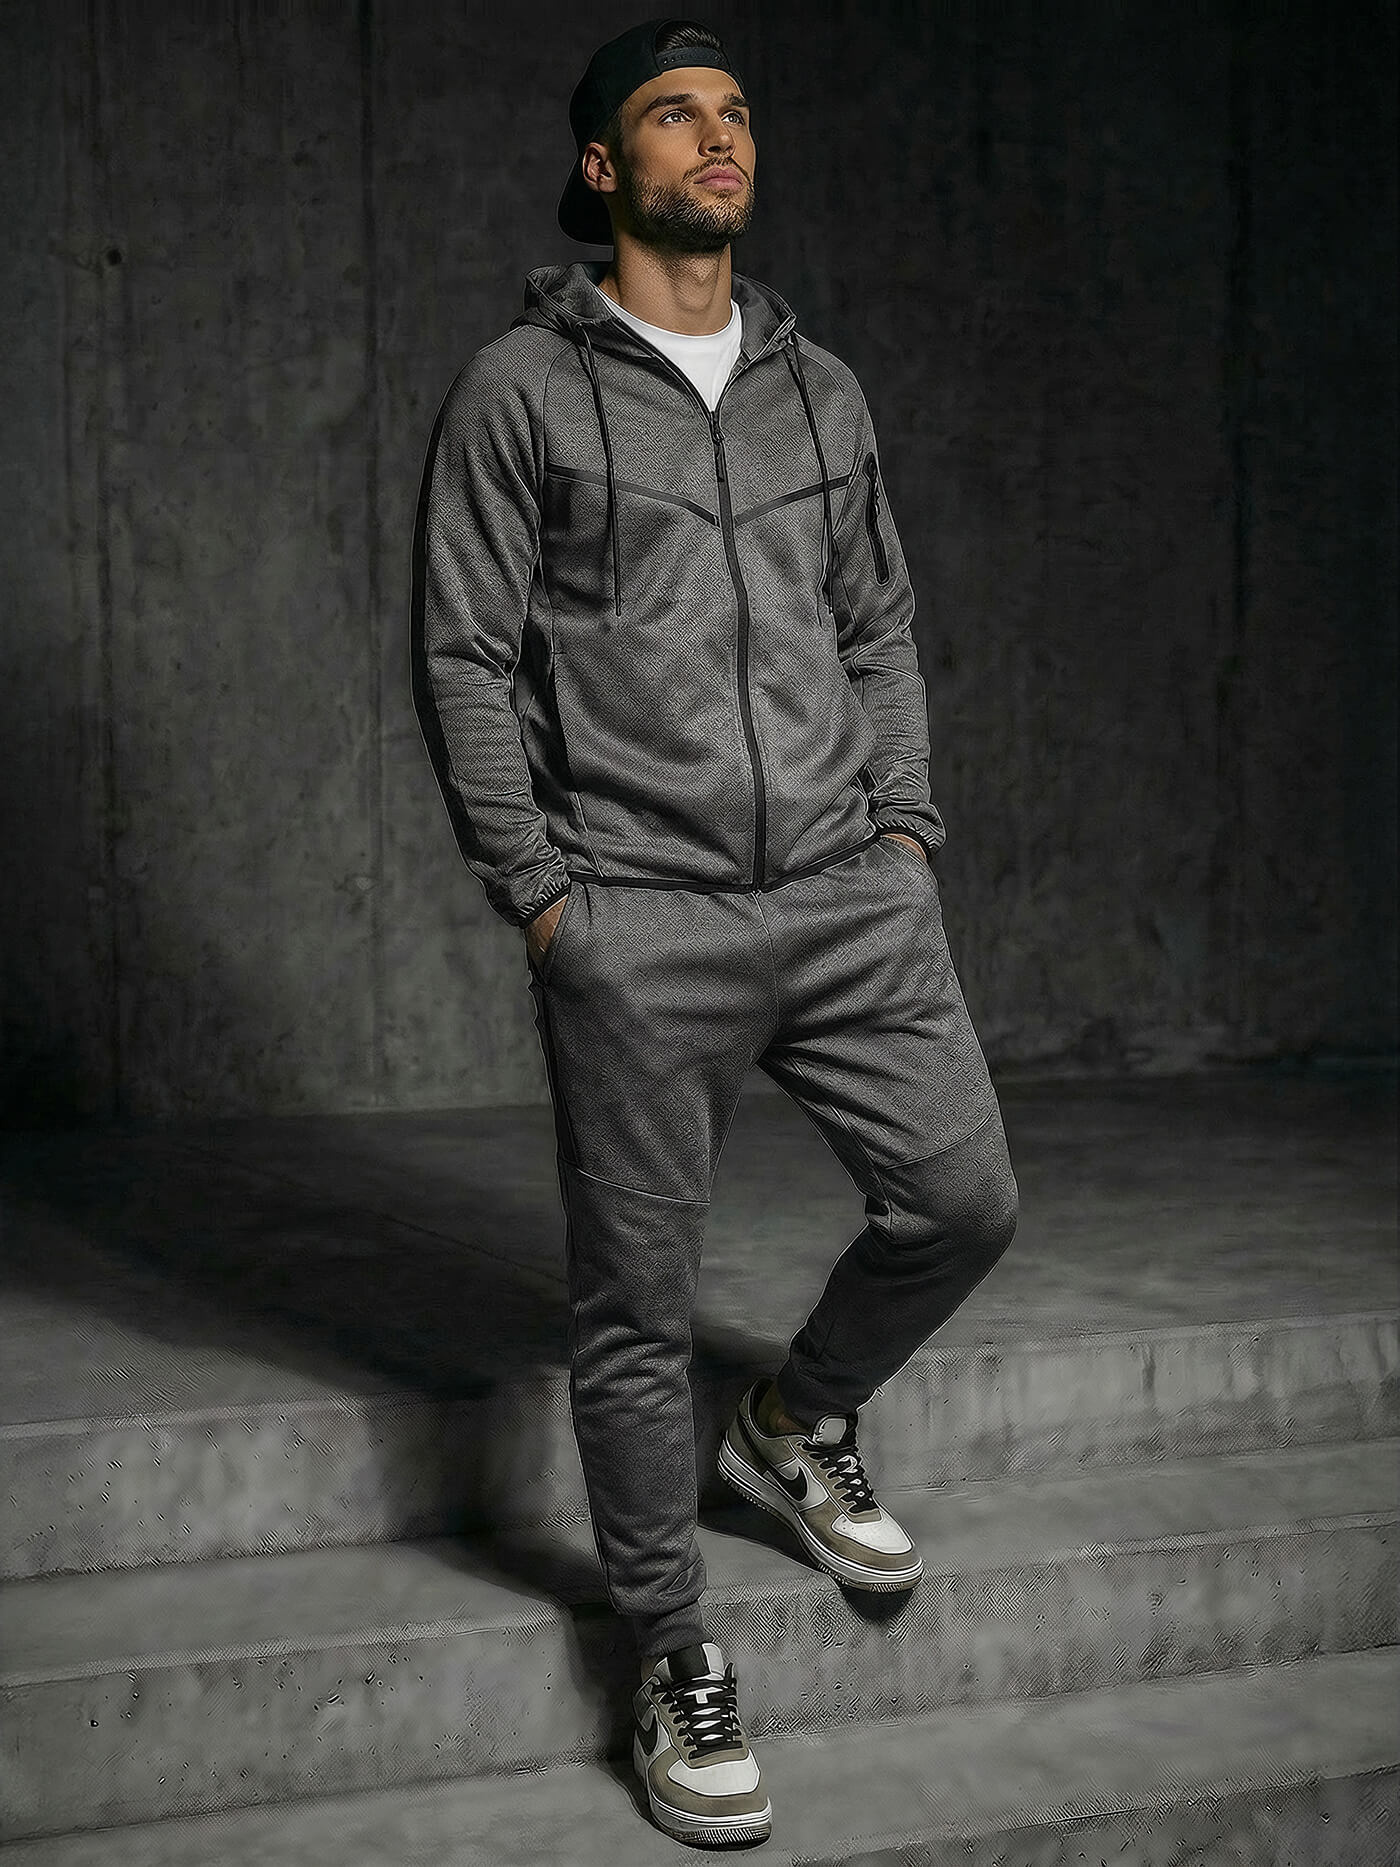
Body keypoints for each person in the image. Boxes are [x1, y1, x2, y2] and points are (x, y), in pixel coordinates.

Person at [411, 15, 1018, 1849]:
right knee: (637, 1308)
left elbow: (879, 622)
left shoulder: (822, 392)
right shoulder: (522, 390)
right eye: (676, 115)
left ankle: (796, 1420)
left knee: (963, 1201)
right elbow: (462, 654)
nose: (719, 136)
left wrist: (901, 831)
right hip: (640, 921)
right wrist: (547, 898)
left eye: (736, 111)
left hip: (847, 893)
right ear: (606, 166)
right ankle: (673, 1647)